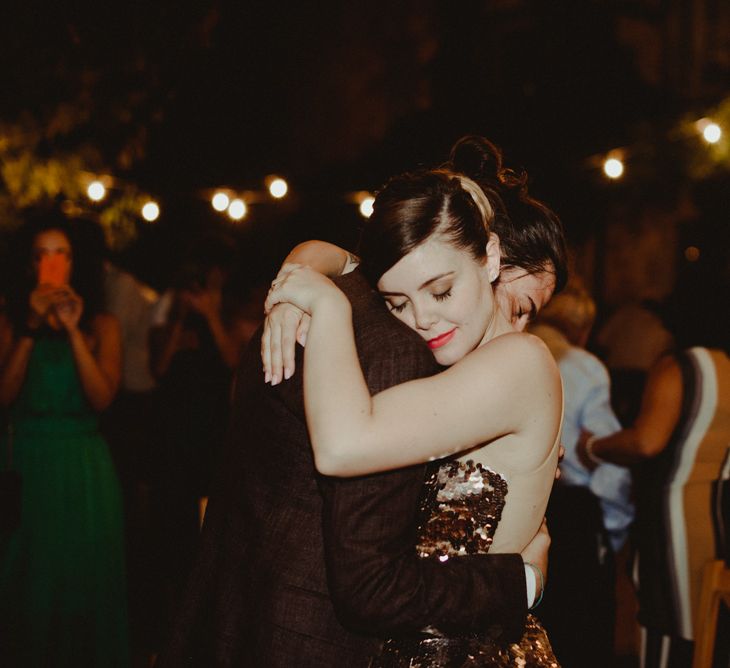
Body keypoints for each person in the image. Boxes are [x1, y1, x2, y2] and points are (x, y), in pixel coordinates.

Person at [264, 167, 564, 665]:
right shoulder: (453, 364)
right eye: (397, 303)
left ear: (488, 258)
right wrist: (300, 274)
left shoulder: (522, 362)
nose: (421, 319)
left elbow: (342, 446)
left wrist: (328, 306)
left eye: (441, 292)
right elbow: (350, 257)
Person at [0, 212, 129, 667]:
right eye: (41, 255)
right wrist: (32, 328)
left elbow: (102, 398)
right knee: (24, 582)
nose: (52, 263)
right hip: (26, 463)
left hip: (83, 469)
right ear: (27, 264)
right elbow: (5, 394)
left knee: (83, 583)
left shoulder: (103, 325)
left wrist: (73, 329)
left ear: (77, 263)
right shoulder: (8, 320)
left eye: (62, 254)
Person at [578, 343, 730, 667]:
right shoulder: (724, 366)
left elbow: (646, 441)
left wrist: (592, 446)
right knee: (708, 629)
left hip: (675, 520)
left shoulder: (684, 364)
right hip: (718, 518)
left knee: (666, 629)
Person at [530, 281, 634, 667]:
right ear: (583, 328)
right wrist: (615, 526)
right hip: (574, 513)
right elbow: (607, 468)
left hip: (524, 507)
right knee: (581, 634)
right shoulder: (584, 366)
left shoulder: (507, 352)